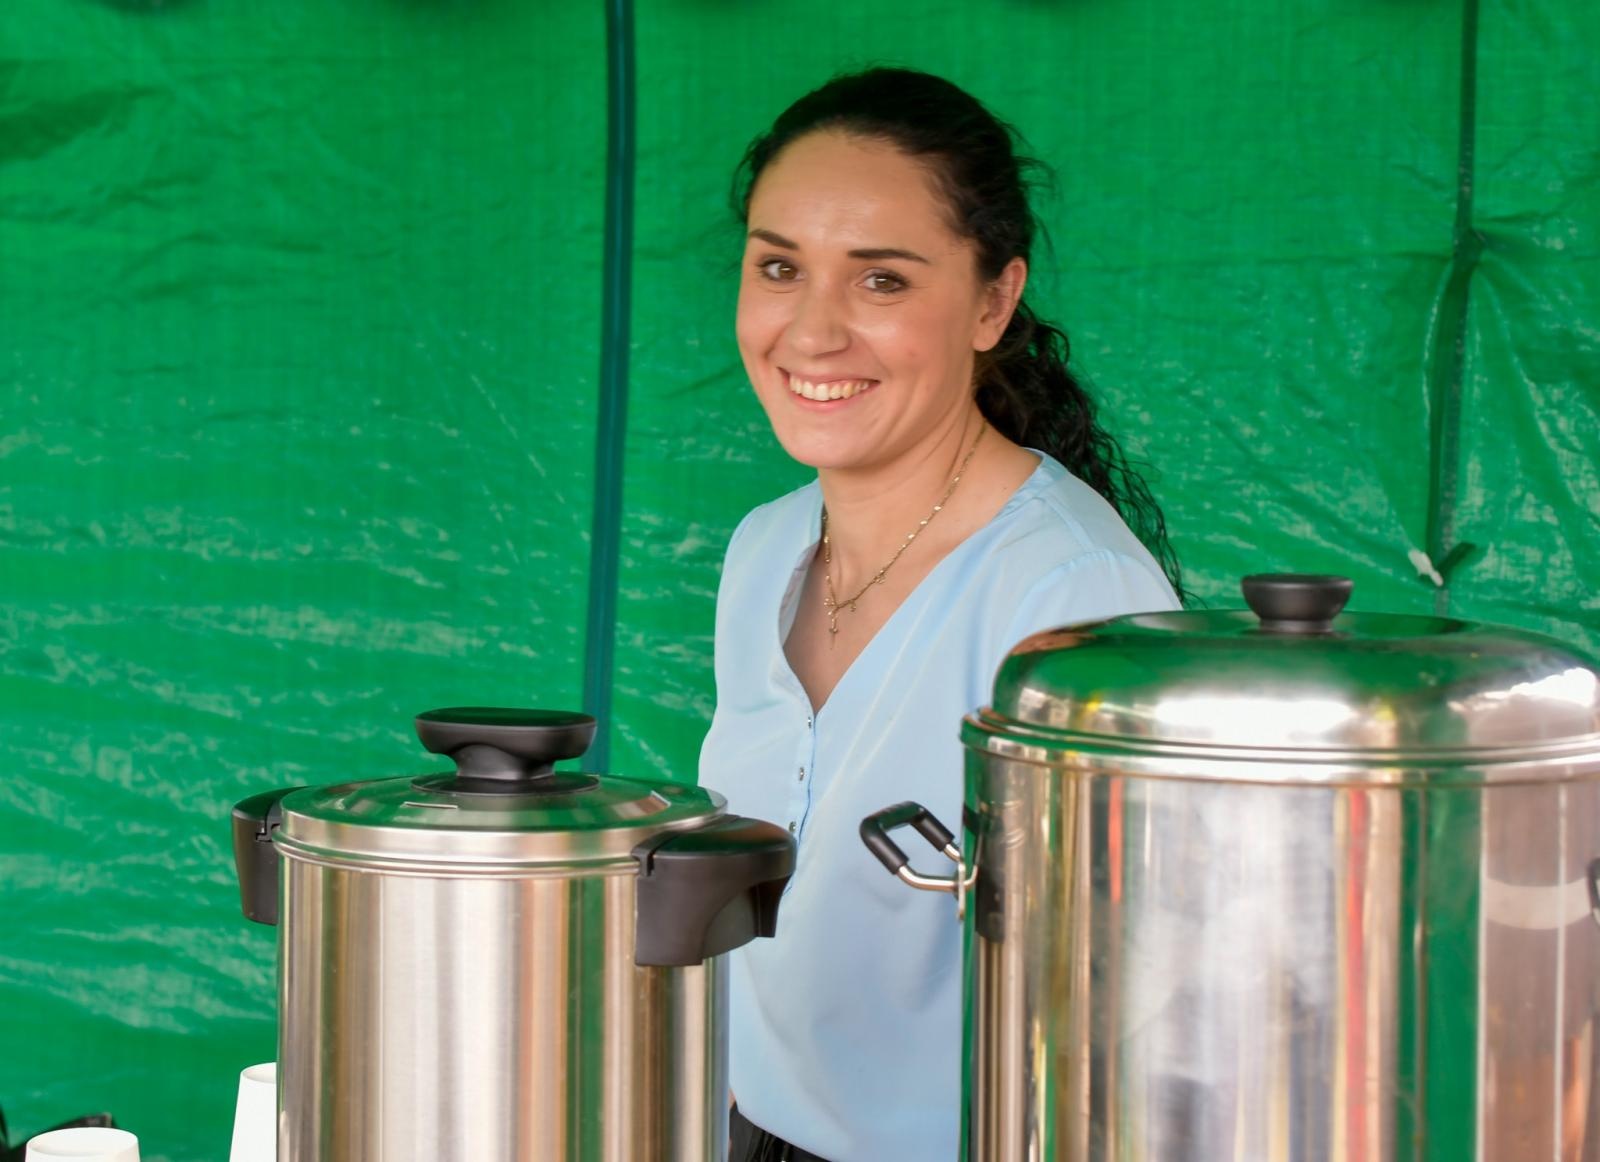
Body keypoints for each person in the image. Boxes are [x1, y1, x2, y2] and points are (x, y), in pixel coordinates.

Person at [698, 67, 1184, 1162]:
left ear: (992, 302)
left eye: (880, 282)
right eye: (779, 266)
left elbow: (1146, 1014)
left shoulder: (1074, 602)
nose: (810, 333)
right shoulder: (764, 549)